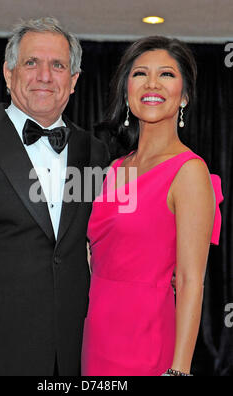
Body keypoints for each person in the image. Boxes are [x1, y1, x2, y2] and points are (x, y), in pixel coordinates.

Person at [0, 17, 109, 376]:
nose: (45, 75)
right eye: (31, 63)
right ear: (8, 72)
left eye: (58, 65)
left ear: (73, 81)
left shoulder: (95, 152)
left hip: (73, 353)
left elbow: (93, 245)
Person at [82, 36, 224, 376]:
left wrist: (179, 370)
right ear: (127, 92)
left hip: (147, 343)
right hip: (95, 339)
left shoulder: (189, 172)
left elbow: (191, 280)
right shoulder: (114, 169)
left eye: (167, 75)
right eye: (140, 73)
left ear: (184, 96)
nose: (152, 83)